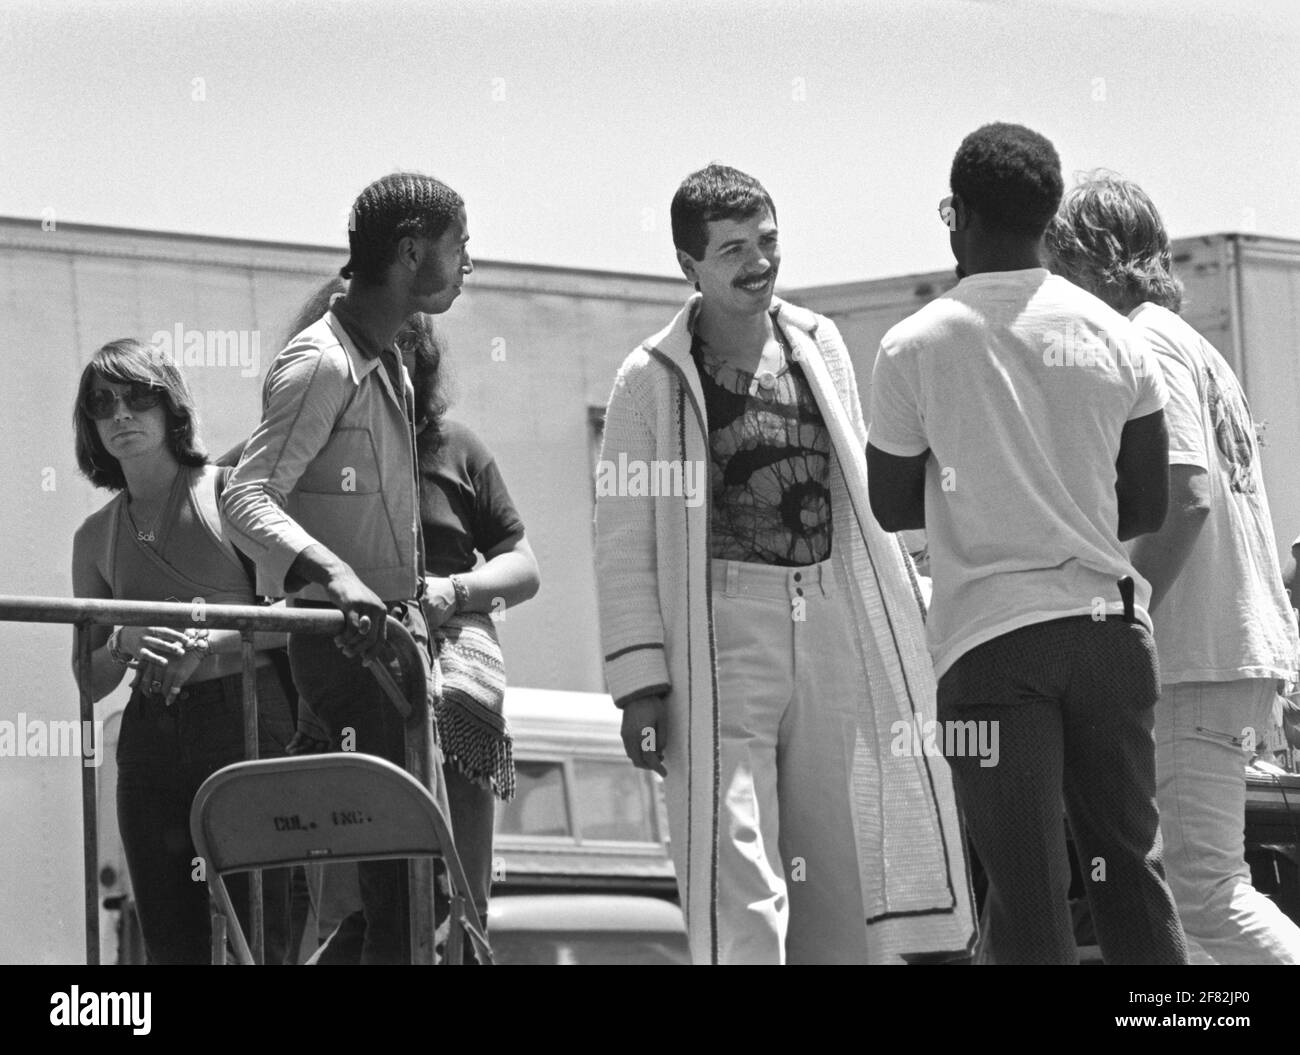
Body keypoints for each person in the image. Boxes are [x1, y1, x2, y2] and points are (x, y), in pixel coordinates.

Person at [594, 162, 975, 965]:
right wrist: (639, 682)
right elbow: (624, 538)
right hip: (721, 631)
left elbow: (860, 492)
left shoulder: (817, 342)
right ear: (687, 265)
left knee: (837, 860)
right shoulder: (651, 377)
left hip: (829, 611)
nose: (757, 261)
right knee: (740, 862)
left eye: (767, 240)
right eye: (732, 248)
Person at [867, 123, 1188, 965]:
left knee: (1028, 888)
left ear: (959, 216)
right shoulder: (1118, 335)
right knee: (1130, 870)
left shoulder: (914, 345)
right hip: (1111, 636)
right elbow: (1149, 501)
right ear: (1050, 217)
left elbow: (891, 502)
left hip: (990, 646)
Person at [1046, 173, 1300, 964]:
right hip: (1226, 647)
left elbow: (1184, 496)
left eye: (1059, 264)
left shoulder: (1145, 338)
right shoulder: (1189, 343)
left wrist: (1117, 613)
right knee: (1194, 898)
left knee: (1205, 891)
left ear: (1095, 257)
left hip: (1198, 653)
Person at [220, 172, 472, 964]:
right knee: (391, 891)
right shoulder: (321, 362)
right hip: (345, 653)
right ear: (409, 252)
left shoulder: (386, 359)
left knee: (402, 897)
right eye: (459, 246)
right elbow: (244, 495)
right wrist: (335, 576)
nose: (470, 263)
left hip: (386, 654)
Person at [276, 279, 541, 960]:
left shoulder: (456, 446)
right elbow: (250, 531)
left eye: (400, 339)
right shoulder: (309, 441)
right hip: (349, 696)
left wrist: (456, 590)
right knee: (358, 908)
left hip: (454, 708)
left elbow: (524, 565)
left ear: (420, 350)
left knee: (454, 908)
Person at [70, 338, 295, 965]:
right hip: (149, 738)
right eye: (102, 402)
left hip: (245, 719)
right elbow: (89, 680)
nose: (120, 414)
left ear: (171, 407)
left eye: (138, 397)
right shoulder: (94, 539)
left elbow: (292, 618)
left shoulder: (232, 495)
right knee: (172, 942)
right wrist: (125, 639)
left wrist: (207, 641)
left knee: (262, 934)